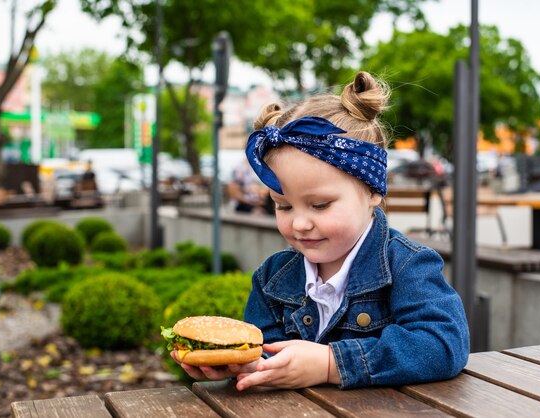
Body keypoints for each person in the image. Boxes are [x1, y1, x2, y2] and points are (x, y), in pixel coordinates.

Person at [171, 71, 470, 390]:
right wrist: (242, 364)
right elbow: (267, 354)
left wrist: (331, 364)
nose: (299, 223)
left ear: (372, 191)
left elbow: (443, 344)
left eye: (320, 205)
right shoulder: (272, 278)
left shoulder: (408, 266)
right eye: (283, 206)